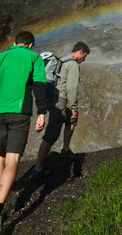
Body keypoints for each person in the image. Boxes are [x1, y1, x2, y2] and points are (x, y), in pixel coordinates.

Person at [0, 31, 47, 231]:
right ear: (31, 45)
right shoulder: (34, 58)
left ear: (14, 43)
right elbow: (39, 85)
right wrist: (42, 111)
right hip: (20, 112)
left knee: (0, 157)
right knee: (12, 159)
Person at [33, 41, 90, 177]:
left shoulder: (62, 61)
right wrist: (74, 108)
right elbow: (72, 88)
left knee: (71, 122)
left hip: (53, 98)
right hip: (61, 101)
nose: (84, 59)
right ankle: (38, 167)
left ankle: (65, 149)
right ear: (80, 52)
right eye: (84, 56)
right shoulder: (73, 65)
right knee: (52, 133)